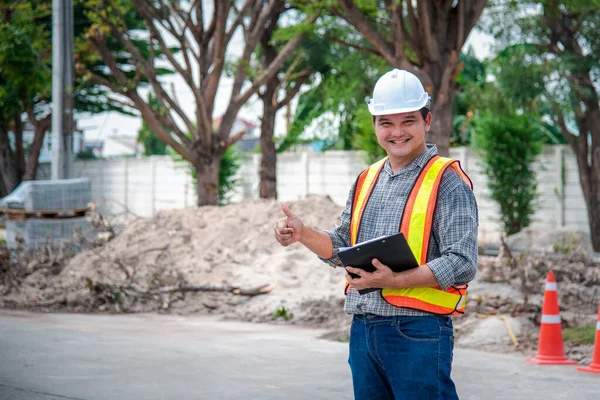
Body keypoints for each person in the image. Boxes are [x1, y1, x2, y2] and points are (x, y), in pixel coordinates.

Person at [273, 68, 478, 400]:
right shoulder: (366, 179)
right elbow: (343, 245)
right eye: (386, 122)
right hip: (364, 329)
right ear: (375, 125)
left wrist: (394, 281)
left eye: (407, 121)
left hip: (418, 332)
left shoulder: (447, 180)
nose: (397, 132)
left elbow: (462, 262)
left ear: (426, 121)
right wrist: (303, 234)